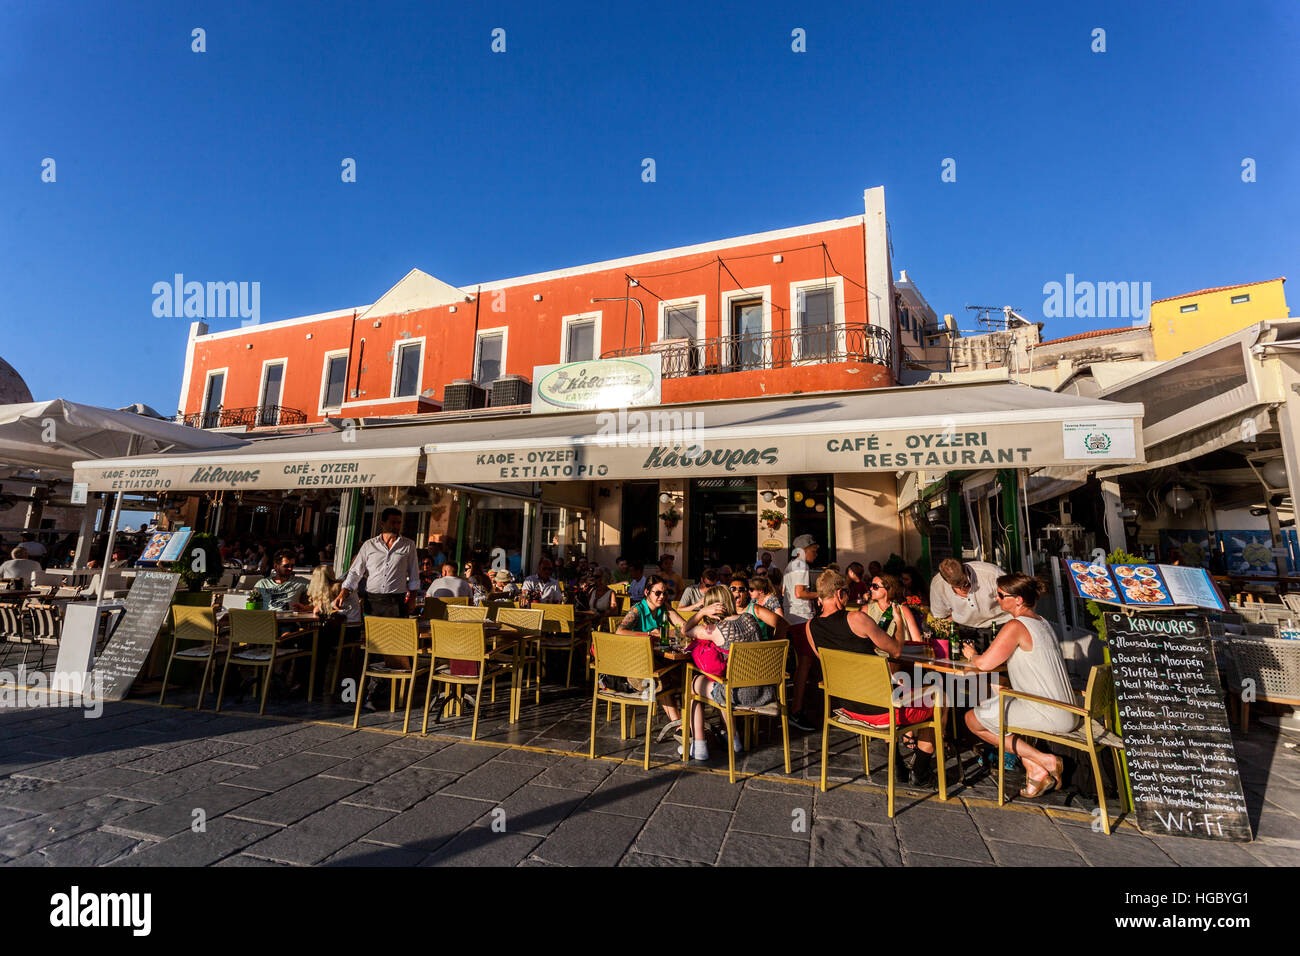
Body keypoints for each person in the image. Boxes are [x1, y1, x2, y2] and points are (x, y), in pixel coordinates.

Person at [808, 569, 940, 787]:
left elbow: (829, 663)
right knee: (941, 699)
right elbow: (896, 650)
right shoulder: (857, 618)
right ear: (840, 594)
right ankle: (921, 772)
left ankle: (897, 765)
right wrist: (897, 623)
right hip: (879, 712)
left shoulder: (809, 627)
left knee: (890, 692)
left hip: (846, 709)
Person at [962, 574, 1077, 798]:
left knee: (972, 721)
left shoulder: (1016, 625)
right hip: (1066, 708)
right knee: (994, 704)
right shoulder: (1041, 622)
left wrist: (972, 655)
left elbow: (985, 664)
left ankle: (1045, 760)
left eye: (1001, 595)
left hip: (1047, 711)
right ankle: (1035, 768)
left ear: (1019, 600)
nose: (996, 598)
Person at [681, 585, 777, 761]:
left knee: (695, 683)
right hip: (764, 690)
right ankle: (734, 740)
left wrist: (701, 613)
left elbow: (685, 630)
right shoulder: (749, 618)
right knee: (725, 681)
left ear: (712, 607)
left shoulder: (715, 630)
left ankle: (700, 745)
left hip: (737, 695)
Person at [614, 575, 709, 728]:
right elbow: (620, 631)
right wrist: (648, 635)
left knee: (688, 673)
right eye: (657, 593)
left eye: (664, 593)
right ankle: (680, 726)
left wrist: (701, 615)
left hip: (659, 658)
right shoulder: (637, 610)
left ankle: (691, 722)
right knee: (664, 679)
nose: (662, 596)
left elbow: (683, 627)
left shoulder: (665, 607)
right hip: (637, 664)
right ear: (647, 592)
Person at [337, 507, 421, 618]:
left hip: (396, 600)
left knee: (395, 634)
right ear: (383, 523)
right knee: (372, 634)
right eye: (393, 522)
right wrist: (344, 591)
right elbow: (355, 572)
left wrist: (412, 598)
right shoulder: (369, 545)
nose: (396, 526)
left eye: (399, 523)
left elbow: (414, 574)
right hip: (372, 600)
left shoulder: (408, 545)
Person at [929, 558, 1010, 650]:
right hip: (966, 630)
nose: (963, 590)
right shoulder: (938, 585)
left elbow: (1014, 599)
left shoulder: (991, 574)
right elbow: (941, 617)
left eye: (966, 584)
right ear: (946, 581)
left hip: (999, 623)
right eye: (956, 588)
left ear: (966, 569)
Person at [785, 534, 821, 731]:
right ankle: (796, 711)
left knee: (806, 664)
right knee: (805, 664)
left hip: (794, 619)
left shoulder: (790, 565)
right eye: (814, 551)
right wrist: (823, 593)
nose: (816, 554)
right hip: (801, 619)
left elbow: (787, 593)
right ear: (804, 550)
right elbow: (800, 593)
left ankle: (804, 706)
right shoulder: (801, 565)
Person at [865, 573, 924, 645]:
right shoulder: (866, 610)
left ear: (887, 589)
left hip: (903, 654)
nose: (871, 588)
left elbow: (917, 640)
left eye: (875, 586)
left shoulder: (903, 610)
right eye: (871, 585)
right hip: (876, 655)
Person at [733, 575, 786, 641]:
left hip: (764, 639)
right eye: (733, 589)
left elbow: (781, 621)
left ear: (760, 590)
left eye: (751, 590)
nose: (749, 592)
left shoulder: (770, 600)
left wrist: (775, 643)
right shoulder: (754, 600)